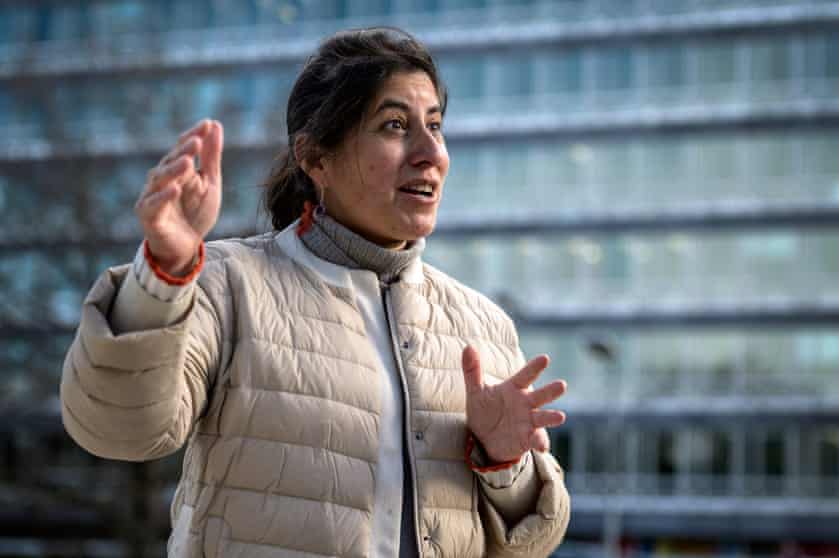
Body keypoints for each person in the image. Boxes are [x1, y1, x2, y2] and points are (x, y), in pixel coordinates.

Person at [60, 27, 570, 558]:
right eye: (395, 125)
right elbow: (118, 429)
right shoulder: (228, 285)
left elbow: (526, 544)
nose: (431, 153)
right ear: (314, 157)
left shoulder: (482, 325)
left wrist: (505, 464)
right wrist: (163, 271)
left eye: (435, 126)